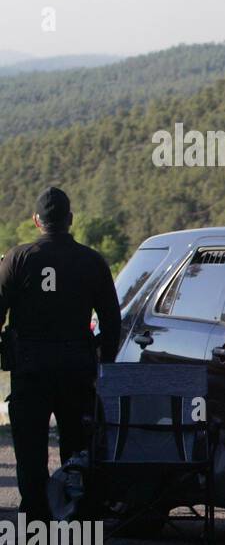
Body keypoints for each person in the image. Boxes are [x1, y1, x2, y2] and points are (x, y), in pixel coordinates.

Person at [0, 187, 121, 521]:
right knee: (77, 448)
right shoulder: (93, 261)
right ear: (70, 220)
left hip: (30, 370)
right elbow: (112, 322)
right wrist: (104, 366)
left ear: (36, 221)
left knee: (29, 449)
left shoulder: (16, 259)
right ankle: (76, 513)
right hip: (77, 369)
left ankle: (37, 518)